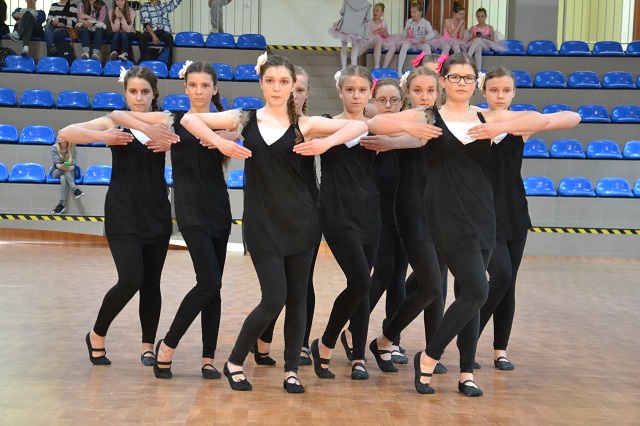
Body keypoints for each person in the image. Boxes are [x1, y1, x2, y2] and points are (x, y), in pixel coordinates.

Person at [368, 53, 564, 397]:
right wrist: (412, 128)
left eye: (468, 78)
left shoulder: (486, 116)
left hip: (483, 214)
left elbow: (539, 118)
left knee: (469, 295)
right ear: (444, 81)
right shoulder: (429, 115)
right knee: (477, 290)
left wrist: (501, 127)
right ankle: (429, 356)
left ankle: (466, 373)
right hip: (444, 215)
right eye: (455, 77)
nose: (462, 83)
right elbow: (376, 125)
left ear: (476, 83)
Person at [182, 53, 368, 393]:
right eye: (270, 81)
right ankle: (235, 361)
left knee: (297, 298)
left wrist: (327, 143)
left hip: (302, 222)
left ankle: (291, 370)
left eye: (284, 82)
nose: (277, 88)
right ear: (261, 83)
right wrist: (222, 142)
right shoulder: (245, 118)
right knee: (273, 298)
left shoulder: (305, 124)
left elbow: (360, 126)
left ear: (293, 86)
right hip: (262, 223)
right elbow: (189, 120)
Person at [109, 61, 244, 380]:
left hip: (218, 209)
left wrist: (231, 133)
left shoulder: (222, 120)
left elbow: (248, 122)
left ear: (215, 88)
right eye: (193, 85)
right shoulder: (174, 119)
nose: (199, 91)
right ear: (185, 87)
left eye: (205, 85)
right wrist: (146, 130)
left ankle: (208, 358)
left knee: (215, 288)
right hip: (189, 210)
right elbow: (123, 115)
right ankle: (167, 346)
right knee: (208, 281)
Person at [59, 66, 179, 368]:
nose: (138, 97)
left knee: (151, 283)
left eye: (144, 92)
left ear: (154, 94)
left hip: (156, 212)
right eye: (133, 91)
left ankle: (148, 346)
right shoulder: (114, 122)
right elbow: (66, 133)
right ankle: (96, 334)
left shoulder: (164, 121)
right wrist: (104, 136)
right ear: (125, 94)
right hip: (122, 213)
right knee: (130, 279)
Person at [477, 66, 580, 371]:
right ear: (484, 91)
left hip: (515, 212)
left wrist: (516, 122)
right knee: (500, 277)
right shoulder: (474, 120)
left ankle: (500, 350)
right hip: (483, 212)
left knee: (509, 283)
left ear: (513, 93)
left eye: (506, 90)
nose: (500, 96)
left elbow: (573, 117)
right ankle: (466, 338)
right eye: (494, 90)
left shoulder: (522, 124)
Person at [363, 68, 447, 378]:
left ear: (438, 92)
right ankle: (380, 338)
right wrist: (394, 140)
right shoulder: (409, 119)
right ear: (407, 93)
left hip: (440, 210)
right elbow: (381, 127)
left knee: (433, 284)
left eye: (430, 90)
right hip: (410, 211)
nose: (424, 96)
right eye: (417, 90)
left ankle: (423, 349)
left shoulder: (443, 119)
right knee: (423, 283)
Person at [308, 66, 380, 382]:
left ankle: (358, 356)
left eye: (362, 90)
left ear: (369, 93)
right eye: (349, 90)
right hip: (337, 214)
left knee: (360, 287)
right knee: (361, 281)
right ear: (340, 91)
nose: (355, 96)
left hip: (370, 214)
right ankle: (326, 342)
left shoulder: (375, 128)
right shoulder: (327, 124)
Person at [253, 66, 318, 368]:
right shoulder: (263, 124)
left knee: (302, 287)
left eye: (300, 89)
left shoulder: (311, 125)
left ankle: (300, 346)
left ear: (304, 93)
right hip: (272, 212)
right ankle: (262, 342)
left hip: (305, 211)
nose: (293, 94)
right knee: (275, 290)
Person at [328, 0, 371, 70]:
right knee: (355, 49)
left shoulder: (347, 1)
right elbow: (368, 19)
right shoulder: (367, 5)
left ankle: (343, 68)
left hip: (345, 27)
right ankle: (353, 67)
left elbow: (342, 12)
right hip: (358, 29)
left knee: (344, 47)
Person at [396, 2, 435, 76]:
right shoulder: (409, 22)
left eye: (414, 12)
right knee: (404, 46)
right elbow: (404, 32)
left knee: (427, 47)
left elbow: (432, 34)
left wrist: (425, 38)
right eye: (411, 12)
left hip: (420, 41)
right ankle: (399, 70)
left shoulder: (425, 22)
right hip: (410, 41)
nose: (412, 14)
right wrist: (406, 36)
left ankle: (428, 69)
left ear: (420, 13)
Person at [138, 0, 182, 64]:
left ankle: (167, 64)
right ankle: (144, 59)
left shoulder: (163, 6)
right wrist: (154, 36)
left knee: (169, 38)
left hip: (162, 32)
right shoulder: (144, 8)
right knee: (141, 37)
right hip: (151, 32)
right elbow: (146, 24)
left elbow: (174, 3)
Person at [50, 136, 85, 215]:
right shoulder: (54, 148)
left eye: (61, 136)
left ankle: (61, 204)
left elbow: (73, 164)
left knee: (63, 177)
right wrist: (61, 167)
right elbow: (56, 163)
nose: (58, 137)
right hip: (57, 171)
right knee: (64, 172)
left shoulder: (73, 149)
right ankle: (75, 190)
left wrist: (68, 168)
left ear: (66, 139)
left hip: (69, 171)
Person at [367, 2, 397, 69]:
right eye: (374, 10)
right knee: (379, 42)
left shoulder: (384, 22)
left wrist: (386, 35)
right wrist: (379, 31)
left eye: (377, 10)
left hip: (383, 41)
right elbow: (369, 34)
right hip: (372, 41)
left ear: (382, 13)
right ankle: (376, 66)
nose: (375, 12)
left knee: (393, 47)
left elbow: (387, 34)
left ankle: (384, 67)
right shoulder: (370, 22)